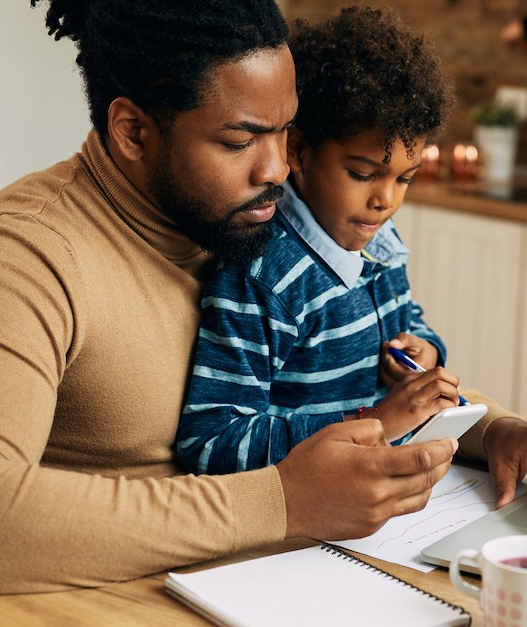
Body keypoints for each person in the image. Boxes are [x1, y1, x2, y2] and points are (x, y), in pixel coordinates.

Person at [0, 0, 527, 611]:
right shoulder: (29, 252)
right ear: (133, 131)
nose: (279, 169)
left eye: (285, 132)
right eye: (240, 140)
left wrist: (493, 428)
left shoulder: (258, 222)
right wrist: (281, 501)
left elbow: (361, 373)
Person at [175, 6, 461, 473]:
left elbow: (409, 319)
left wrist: (425, 351)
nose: (385, 201)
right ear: (299, 152)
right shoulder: (265, 277)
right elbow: (211, 442)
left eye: (405, 179)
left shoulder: (379, 242)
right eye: (362, 174)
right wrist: (374, 424)